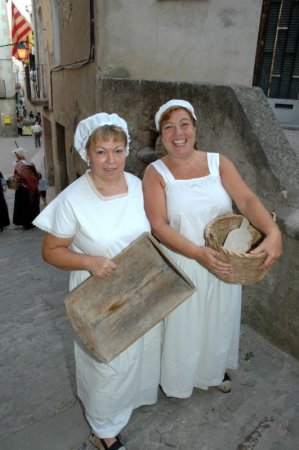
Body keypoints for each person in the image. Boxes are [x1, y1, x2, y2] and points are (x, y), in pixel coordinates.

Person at [33, 113, 162, 450]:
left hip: (138, 288)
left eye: (118, 150)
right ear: (87, 153)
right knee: (106, 366)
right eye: (101, 151)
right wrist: (88, 262)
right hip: (98, 294)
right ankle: (103, 428)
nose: (111, 160)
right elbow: (52, 251)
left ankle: (128, 403)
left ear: (126, 150)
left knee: (138, 354)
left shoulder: (138, 186)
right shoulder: (73, 199)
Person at [142, 99, 282, 398]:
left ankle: (211, 371)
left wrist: (273, 232)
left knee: (217, 322)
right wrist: (197, 253)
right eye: (169, 127)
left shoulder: (219, 162)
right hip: (184, 264)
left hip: (224, 263)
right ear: (160, 134)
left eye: (184, 124)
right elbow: (159, 225)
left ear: (195, 127)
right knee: (184, 328)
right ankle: (178, 380)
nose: (178, 133)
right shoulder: (155, 173)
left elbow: (246, 201)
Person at [12, 148, 40, 230]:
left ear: (20, 155)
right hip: (32, 188)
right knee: (32, 205)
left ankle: (27, 223)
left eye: (17, 155)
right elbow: (36, 175)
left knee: (25, 206)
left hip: (23, 189)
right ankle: (33, 221)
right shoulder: (30, 164)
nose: (16, 157)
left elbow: (18, 176)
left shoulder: (19, 165)